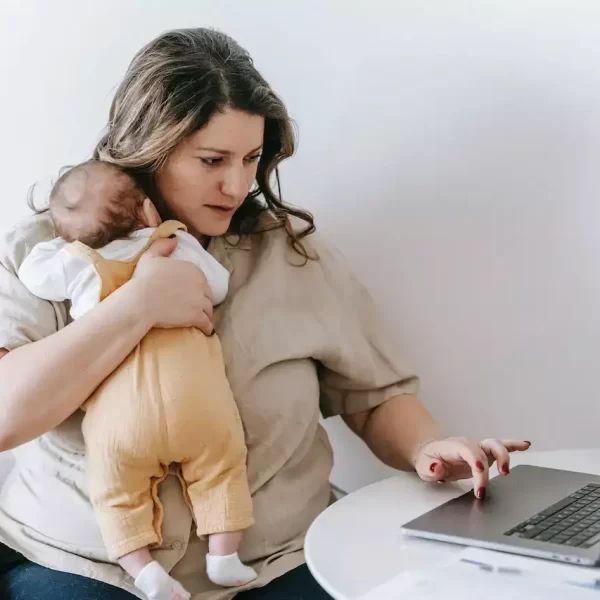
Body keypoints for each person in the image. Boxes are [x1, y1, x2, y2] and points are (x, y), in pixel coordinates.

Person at [0, 28, 530, 600]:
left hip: (280, 560)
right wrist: (137, 305)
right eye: (212, 160)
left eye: (251, 158)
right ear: (149, 146)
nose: (237, 184)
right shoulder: (46, 255)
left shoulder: (291, 253)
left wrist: (427, 449)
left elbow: (375, 396)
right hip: (84, 563)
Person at [17, 160, 258, 599]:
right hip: (197, 400)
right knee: (223, 466)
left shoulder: (80, 264)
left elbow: (36, 274)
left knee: (114, 491)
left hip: (121, 416)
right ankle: (223, 555)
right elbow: (218, 286)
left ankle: (143, 570)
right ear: (148, 209)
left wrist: (64, 241)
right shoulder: (173, 242)